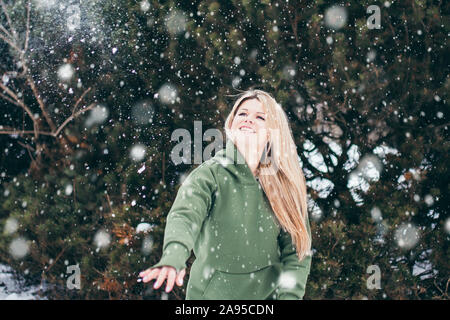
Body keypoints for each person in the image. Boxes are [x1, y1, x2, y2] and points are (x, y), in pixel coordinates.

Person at [139, 89, 312, 300]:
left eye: (260, 117)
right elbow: (184, 216)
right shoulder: (209, 174)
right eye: (243, 114)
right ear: (231, 123)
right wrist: (173, 257)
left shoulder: (284, 186)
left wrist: (289, 297)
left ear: (272, 132)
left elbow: (297, 252)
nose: (249, 120)